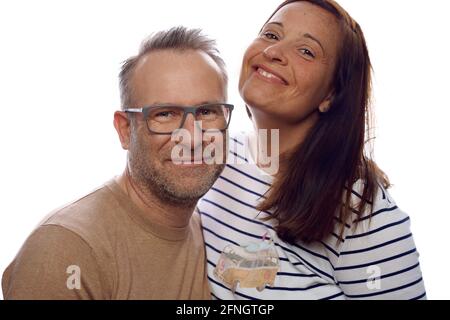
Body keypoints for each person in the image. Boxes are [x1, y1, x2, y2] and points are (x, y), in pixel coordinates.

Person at [198, 0, 427, 300]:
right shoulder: (212, 158)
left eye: (306, 51)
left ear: (330, 95)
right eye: (271, 35)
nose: (273, 52)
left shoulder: (363, 213)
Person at [2, 26, 233, 299]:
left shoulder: (209, 229)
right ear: (125, 130)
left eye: (207, 111)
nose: (193, 138)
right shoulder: (66, 248)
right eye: (165, 114)